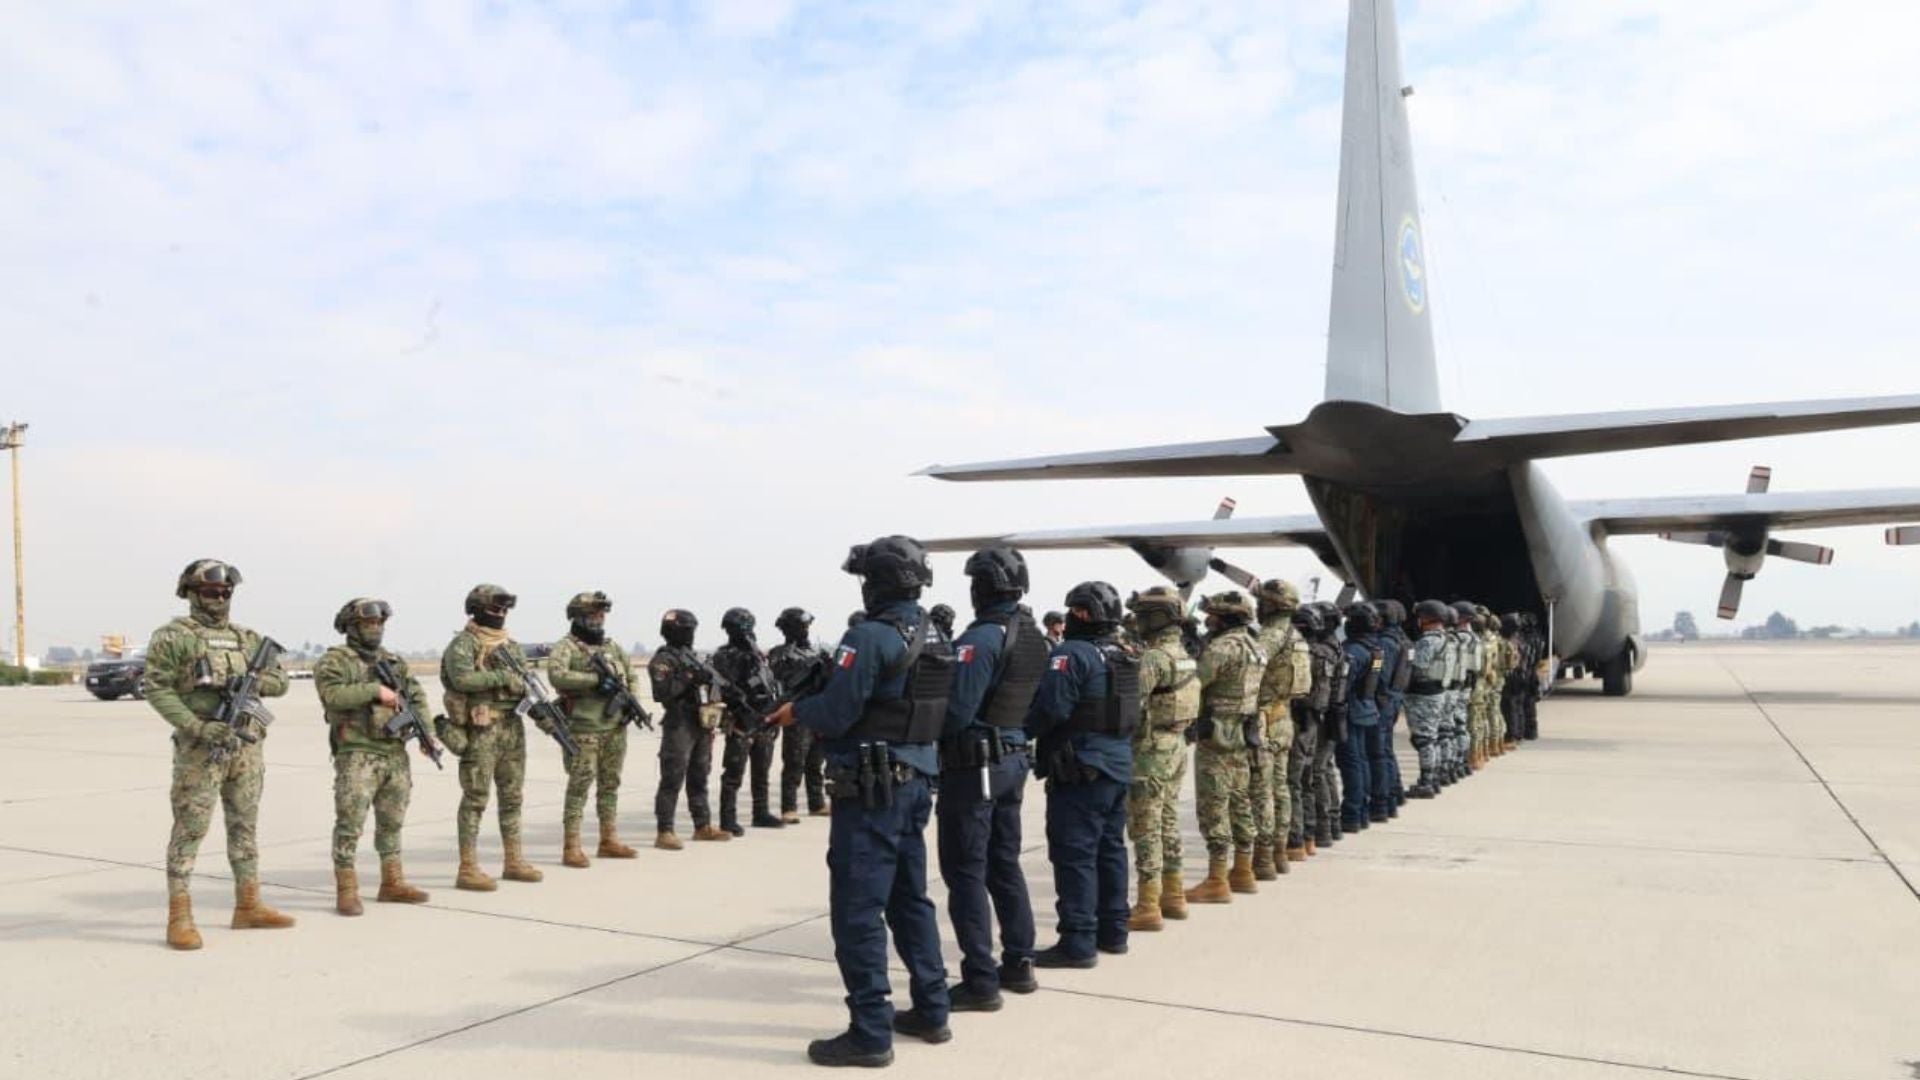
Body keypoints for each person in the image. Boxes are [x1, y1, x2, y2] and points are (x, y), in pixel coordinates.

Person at [767, 536, 952, 1068]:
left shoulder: (868, 636)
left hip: (873, 792)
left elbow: (838, 713)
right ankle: (933, 1010)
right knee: (910, 900)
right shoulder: (935, 632)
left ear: (879, 582)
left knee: (857, 911)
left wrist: (799, 711)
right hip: (915, 782)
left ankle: (870, 1033)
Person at [144, 559, 294, 949]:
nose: (220, 597)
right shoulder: (173, 636)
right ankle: (179, 917)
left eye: (226, 591)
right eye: (211, 591)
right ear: (191, 593)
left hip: (245, 749)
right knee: (190, 829)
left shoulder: (247, 638)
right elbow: (157, 688)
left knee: (245, 826)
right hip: (200, 750)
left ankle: (249, 905)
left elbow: (280, 681)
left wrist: (255, 681)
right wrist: (196, 726)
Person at [937, 546, 1046, 1009]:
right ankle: (1019, 962)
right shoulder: (1033, 637)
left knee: (965, 870)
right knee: (1004, 863)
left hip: (975, 767)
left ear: (981, 587)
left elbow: (957, 712)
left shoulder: (980, 639)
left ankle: (980, 979)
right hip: (1011, 759)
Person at [1026, 581, 1136, 968]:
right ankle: (1114, 931)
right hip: (1117, 765)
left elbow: (1052, 708)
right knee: (1111, 850)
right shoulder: (1125, 653)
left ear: (1083, 613)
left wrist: (1019, 730)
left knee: (1075, 855)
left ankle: (1078, 941)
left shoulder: (1072, 654)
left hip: (1081, 769)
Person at [315, 597, 434, 915]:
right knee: (350, 823)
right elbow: (332, 696)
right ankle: (346, 890)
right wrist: (374, 691)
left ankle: (392, 883)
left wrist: (428, 733)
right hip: (357, 753)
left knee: (392, 821)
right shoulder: (335, 661)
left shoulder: (393, 661)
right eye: (369, 622)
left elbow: (416, 696)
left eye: (380, 622)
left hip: (394, 752)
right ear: (351, 626)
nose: (376, 628)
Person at [441, 584, 542, 890]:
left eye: (504, 609)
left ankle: (513, 861)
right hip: (481, 729)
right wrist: (502, 677)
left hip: (512, 728)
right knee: (475, 798)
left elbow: (522, 682)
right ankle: (467, 868)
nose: (501, 614)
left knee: (512, 797)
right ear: (477, 609)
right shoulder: (464, 644)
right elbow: (462, 679)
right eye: (495, 608)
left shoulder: (511, 646)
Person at [544, 591, 639, 867]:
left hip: (614, 727)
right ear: (578, 616)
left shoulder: (612, 647)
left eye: (602, 614)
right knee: (579, 786)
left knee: (610, 784)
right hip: (584, 729)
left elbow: (631, 675)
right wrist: (594, 680)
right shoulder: (567, 647)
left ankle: (608, 839)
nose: (599, 619)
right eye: (593, 614)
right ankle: (571, 846)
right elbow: (557, 675)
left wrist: (630, 700)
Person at [1123, 586, 1200, 928]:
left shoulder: (1153, 658)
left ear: (1157, 618)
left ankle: (1148, 905)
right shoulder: (1183, 654)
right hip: (1175, 745)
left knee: (1146, 827)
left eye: (1142, 615)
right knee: (1168, 822)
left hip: (1150, 751)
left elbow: (1132, 705)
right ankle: (1174, 895)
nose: (1137, 621)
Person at [1186, 590, 1265, 902]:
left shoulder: (1222, 648)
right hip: (1244, 732)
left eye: (1213, 615)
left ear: (1226, 618)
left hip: (1217, 734)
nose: (1208, 620)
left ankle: (1217, 881)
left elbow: (1195, 683)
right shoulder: (1255, 646)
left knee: (1213, 804)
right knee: (1240, 799)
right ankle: (1243, 871)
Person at [649, 609, 729, 848]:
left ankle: (702, 826)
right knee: (672, 778)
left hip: (701, 721)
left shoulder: (692, 657)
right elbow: (662, 693)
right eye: (687, 630)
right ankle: (665, 831)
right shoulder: (664, 660)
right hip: (679, 723)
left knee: (699, 776)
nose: (691, 635)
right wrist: (689, 678)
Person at [1251, 579, 1310, 879]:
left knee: (1263, 790)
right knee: (1281, 787)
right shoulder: (1297, 636)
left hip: (1264, 718)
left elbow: (1248, 672)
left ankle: (1263, 859)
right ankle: (1280, 853)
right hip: (1284, 716)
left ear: (1271, 605)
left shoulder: (1270, 636)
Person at [713, 607, 783, 833]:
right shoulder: (724, 655)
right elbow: (725, 688)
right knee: (733, 773)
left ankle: (761, 812)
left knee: (762, 770)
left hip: (763, 717)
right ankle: (727, 818)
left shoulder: (757, 655)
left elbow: (769, 684)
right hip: (741, 720)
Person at [770, 607, 831, 822]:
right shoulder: (780, 653)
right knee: (794, 760)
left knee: (816, 760)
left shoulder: (816, 651)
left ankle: (817, 802)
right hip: (796, 711)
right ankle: (789, 806)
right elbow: (780, 675)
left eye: (806, 626)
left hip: (817, 710)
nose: (806, 630)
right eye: (801, 627)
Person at [1284, 604, 1332, 861]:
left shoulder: (1301, 653)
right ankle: (1311, 837)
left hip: (1298, 720)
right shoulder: (1326, 653)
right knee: (1308, 780)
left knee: (1292, 781)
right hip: (1314, 721)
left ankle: (1295, 841)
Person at [1336, 603, 1383, 833]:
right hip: (1367, 708)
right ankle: (1361, 812)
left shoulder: (1353, 651)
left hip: (1351, 712)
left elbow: (1343, 685)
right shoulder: (1375, 648)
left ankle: (1352, 813)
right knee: (1362, 761)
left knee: (1351, 763)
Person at [1403, 601, 1452, 799]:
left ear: (1427, 618)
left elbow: (1418, 668)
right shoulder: (1446, 639)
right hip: (1438, 692)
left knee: (1424, 740)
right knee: (1433, 738)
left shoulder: (1427, 641)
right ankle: (1434, 779)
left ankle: (1426, 782)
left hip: (1423, 695)